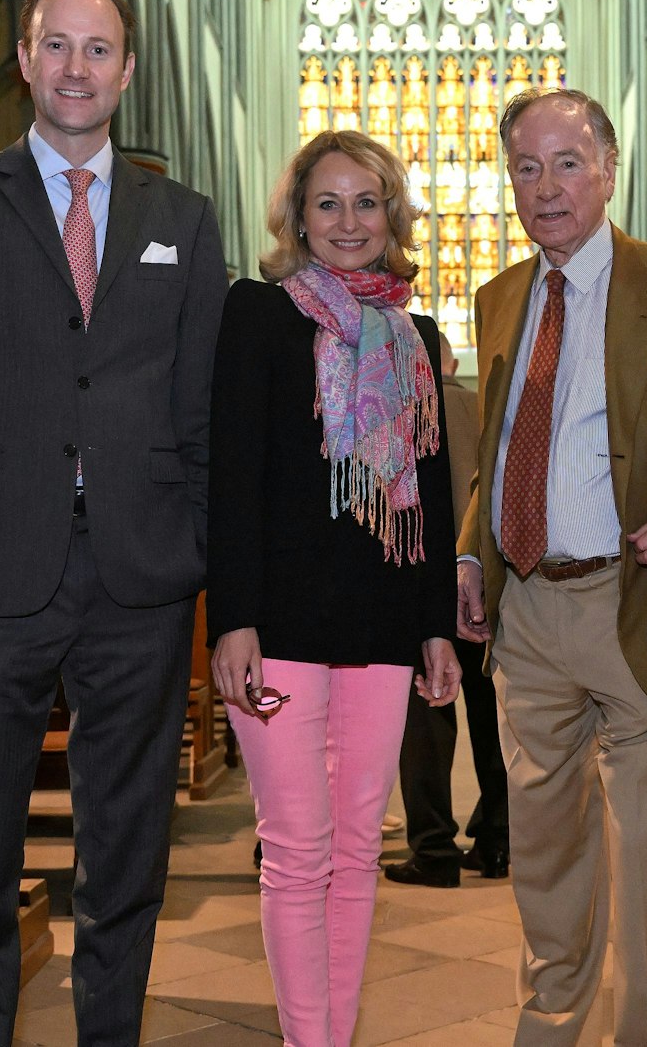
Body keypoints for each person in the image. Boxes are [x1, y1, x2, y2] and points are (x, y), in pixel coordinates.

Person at [0, 0, 229, 1045]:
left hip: (140, 575)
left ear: (125, 70)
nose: (77, 68)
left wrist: (203, 554)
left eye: (99, 49)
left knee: (126, 852)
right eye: (55, 46)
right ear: (22, 61)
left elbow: (202, 405)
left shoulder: (182, 218)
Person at [455, 87, 647, 1045]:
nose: (546, 186)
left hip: (629, 598)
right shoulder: (503, 295)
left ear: (609, 169)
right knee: (545, 853)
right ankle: (552, 1026)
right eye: (526, 166)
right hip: (528, 607)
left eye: (568, 163)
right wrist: (473, 555)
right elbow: (502, 449)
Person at [207, 129, 463, 1047]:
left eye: (367, 202)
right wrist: (231, 617)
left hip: (384, 626)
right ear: (298, 218)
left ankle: (336, 1035)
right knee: (296, 846)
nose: (348, 221)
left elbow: (428, 491)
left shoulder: (416, 337)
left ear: (391, 215)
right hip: (276, 627)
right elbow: (230, 475)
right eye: (328, 203)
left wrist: (435, 625)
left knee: (359, 846)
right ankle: (305, 1037)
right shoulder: (258, 313)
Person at [383, 332, 510, 888]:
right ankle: (496, 842)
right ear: (452, 363)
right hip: (480, 578)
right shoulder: (484, 405)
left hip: (422, 586)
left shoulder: (395, 412)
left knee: (427, 725)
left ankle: (433, 849)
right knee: (490, 721)